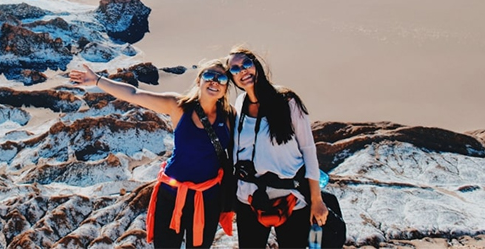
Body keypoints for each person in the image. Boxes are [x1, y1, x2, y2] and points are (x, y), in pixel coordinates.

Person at [69, 60, 235, 248]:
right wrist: (98, 80)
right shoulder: (178, 106)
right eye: (208, 76)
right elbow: (134, 94)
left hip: (206, 199)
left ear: (226, 87)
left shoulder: (229, 117)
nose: (214, 82)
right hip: (171, 194)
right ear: (199, 81)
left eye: (221, 78)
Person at [224, 46, 328, 248]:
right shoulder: (240, 103)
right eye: (235, 69)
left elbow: (308, 149)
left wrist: (317, 200)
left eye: (246, 64)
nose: (243, 71)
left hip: (290, 198)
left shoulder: (287, 101)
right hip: (250, 199)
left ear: (256, 65)